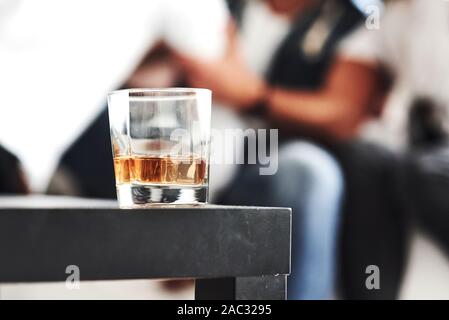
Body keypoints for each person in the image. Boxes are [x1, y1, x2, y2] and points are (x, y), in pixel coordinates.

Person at [176, 0, 365, 299]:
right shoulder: (214, 8)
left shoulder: (350, 20)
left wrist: (252, 96)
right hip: (192, 143)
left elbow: (344, 113)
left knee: (309, 171)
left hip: (272, 154)